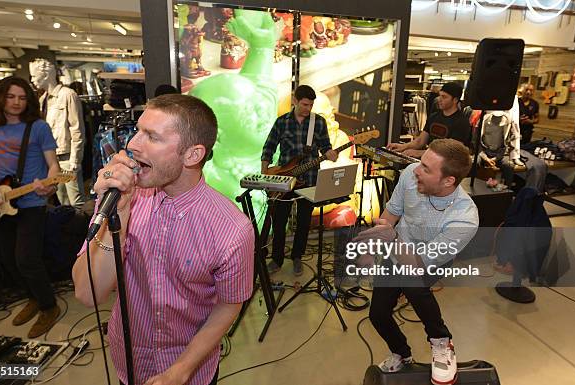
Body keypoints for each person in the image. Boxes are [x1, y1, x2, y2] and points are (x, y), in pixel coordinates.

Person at [72, 94, 254, 385]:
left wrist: (181, 369)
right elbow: (87, 293)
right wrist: (118, 212)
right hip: (129, 361)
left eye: (152, 137)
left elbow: (228, 304)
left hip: (189, 368)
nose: (132, 144)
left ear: (192, 155)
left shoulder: (232, 229)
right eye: (138, 131)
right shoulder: (120, 197)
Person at [354, 139, 479, 385]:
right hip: (398, 249)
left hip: (428, 260)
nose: (417, 170)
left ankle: (442, 342)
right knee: (377, 314)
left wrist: (392, 237)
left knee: (411, 281)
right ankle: (402, 353)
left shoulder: (465, 218)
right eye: (421, 163)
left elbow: (417, 263)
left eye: (426, 169)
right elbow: (390, 215)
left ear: (448, 181)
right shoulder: (411, 174)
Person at [0, 76, 61, 338]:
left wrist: (50, 185)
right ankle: (32, 297)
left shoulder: (37, 127)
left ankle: (49, 306)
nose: (16, 102)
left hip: (32, 201)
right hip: (2, 201)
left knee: (27, 259)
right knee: (9, 259)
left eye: (22, 98)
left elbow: (54, 166)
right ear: (0, 97)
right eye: (11, 97)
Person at [261, 85, 338, 276]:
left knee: (304, 221)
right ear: (295, 101)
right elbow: (269, 147)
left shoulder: (318, 122)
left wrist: (330, 153)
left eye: (311, 105)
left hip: (310, 178)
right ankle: (277, 258)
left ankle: (297, 257)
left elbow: (325, 147)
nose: (308, 108)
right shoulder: (282, 122)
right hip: (285, 178)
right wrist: (265, 172)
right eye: (304, 104)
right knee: (279, 221)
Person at [30, 58, 86, 208]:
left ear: (46, 74)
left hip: (67, 157)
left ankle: (84, 230)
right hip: (51, 159)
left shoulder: (68, 95)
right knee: (61, 200)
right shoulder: (43, 100)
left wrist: (75, 159)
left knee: (76, 201)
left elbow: (77, 128)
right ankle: (67, 231)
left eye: (35, 76)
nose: (33, 80)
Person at [388, 82, 471, 159]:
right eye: (440, 95)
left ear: (455, 100)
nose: (439, 99)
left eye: (444, 97)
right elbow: (420, 141)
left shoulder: (462, 122)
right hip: (429, 160)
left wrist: (421, 153)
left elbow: (451, 152)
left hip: (445, 168)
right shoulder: (434, 116)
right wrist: (402, 146)